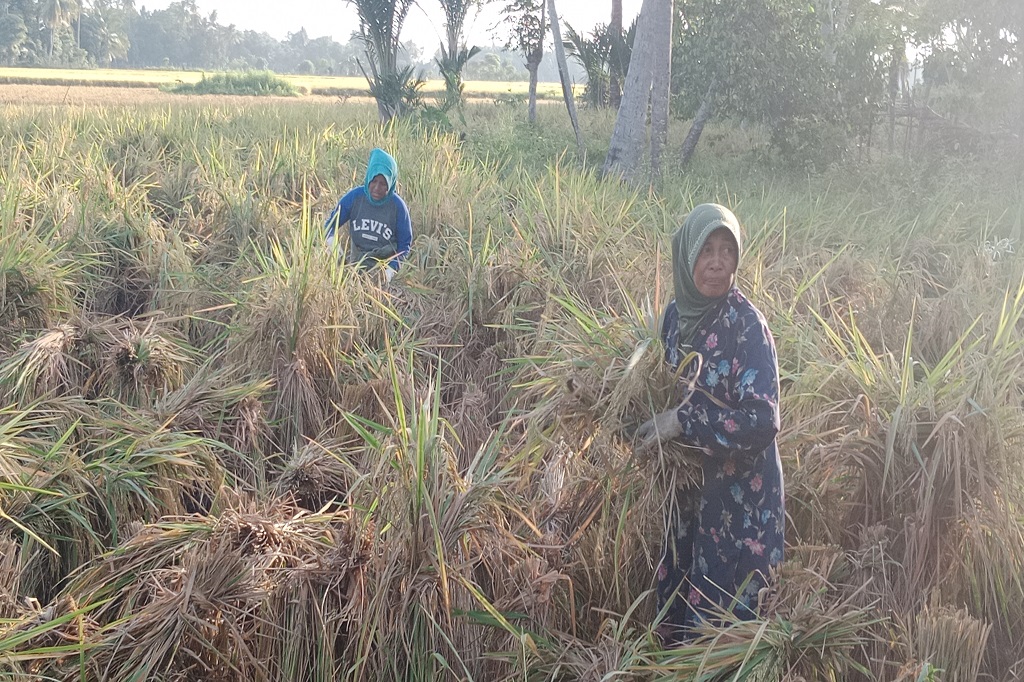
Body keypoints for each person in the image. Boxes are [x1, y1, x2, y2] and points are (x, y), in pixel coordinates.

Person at [635, 203, 784, 645]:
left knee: (725, 638)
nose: (718, 263)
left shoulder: (747, 327)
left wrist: (684, 421)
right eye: (706, 250)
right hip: (686, 502)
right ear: (686, 255)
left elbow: (763, 420)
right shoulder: (674, 318)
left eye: (727, 251)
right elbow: (661, 391)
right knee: (678, 622)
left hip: (738, 509)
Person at [325, 148, 412, 282]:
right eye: (373, 181)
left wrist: (390, 271)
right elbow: (329, 225)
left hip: (384, 266)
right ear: (368, 178)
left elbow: (404, 245)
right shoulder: (354, 198)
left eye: (383, 184)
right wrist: (335, 249)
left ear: (391, 183)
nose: (377, 188)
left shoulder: (398, 207)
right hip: (355, 264)